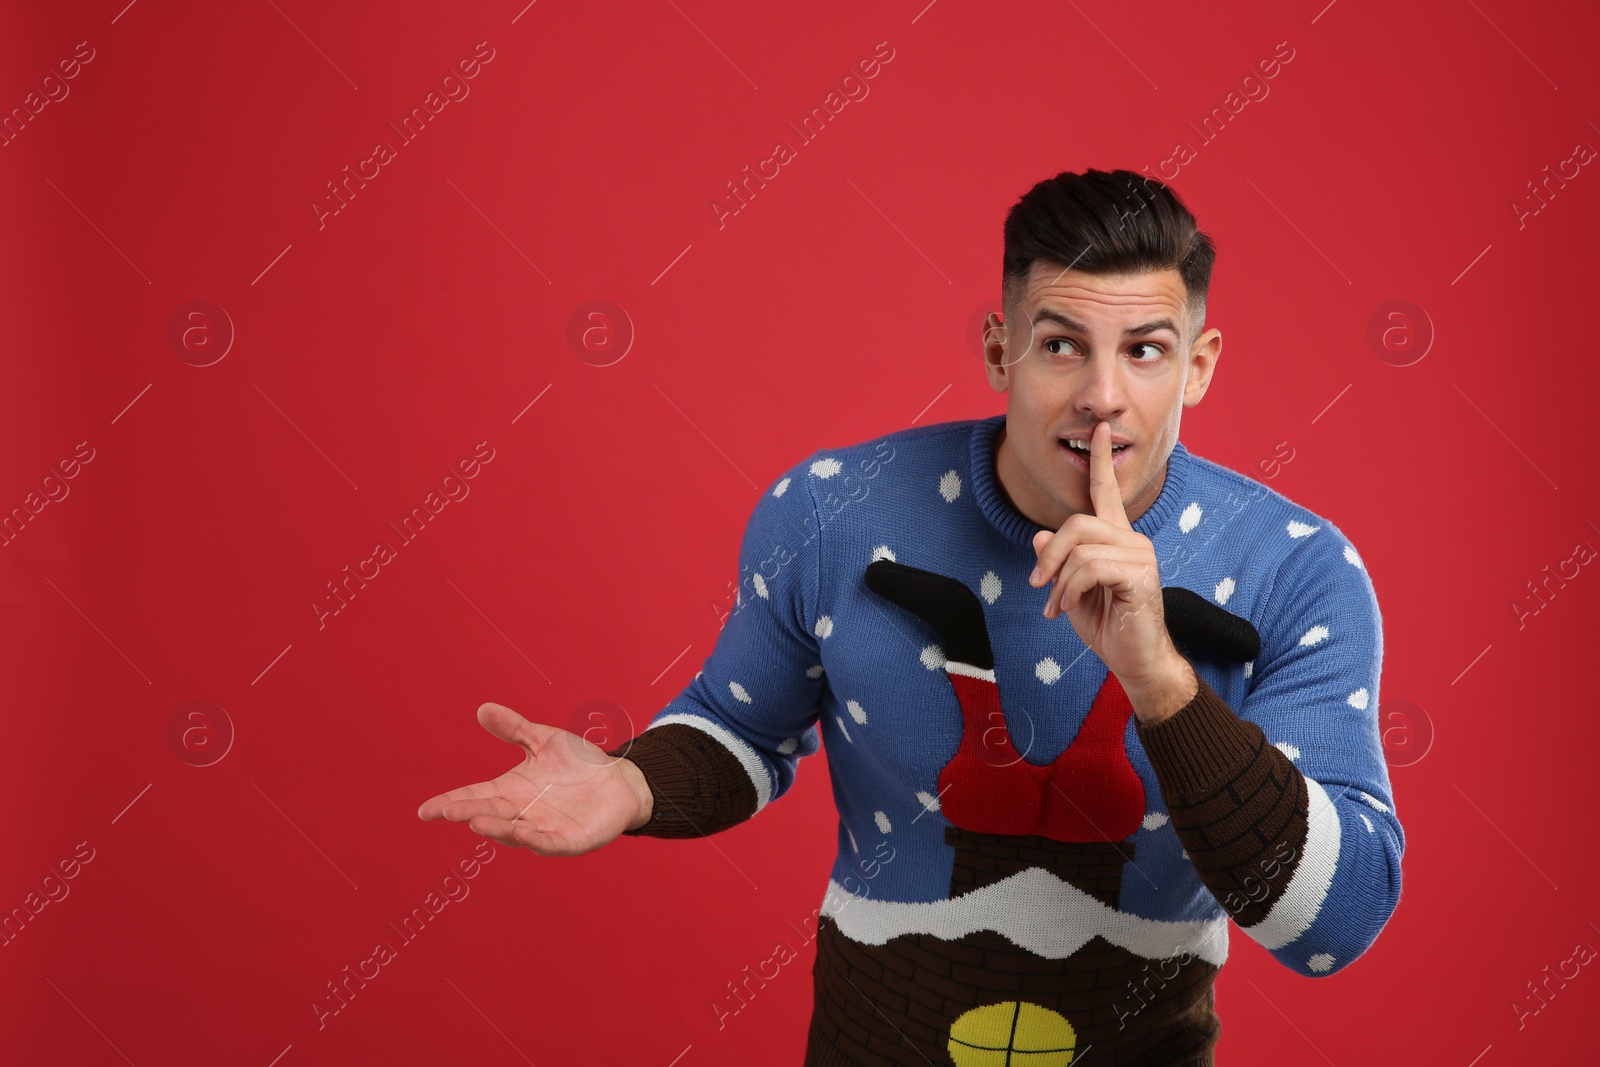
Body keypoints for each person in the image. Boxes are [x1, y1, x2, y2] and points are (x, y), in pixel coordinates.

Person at [416, 167, 1404, 1066]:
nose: (1102, 396)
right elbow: (741, 722)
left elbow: (1334, 923)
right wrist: (632, 784)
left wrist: (1159, 680)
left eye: (1145, 350)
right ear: (996, 348)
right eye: (1060, 343)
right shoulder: (829, 508)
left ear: (1197, 365)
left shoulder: (1297, 571)